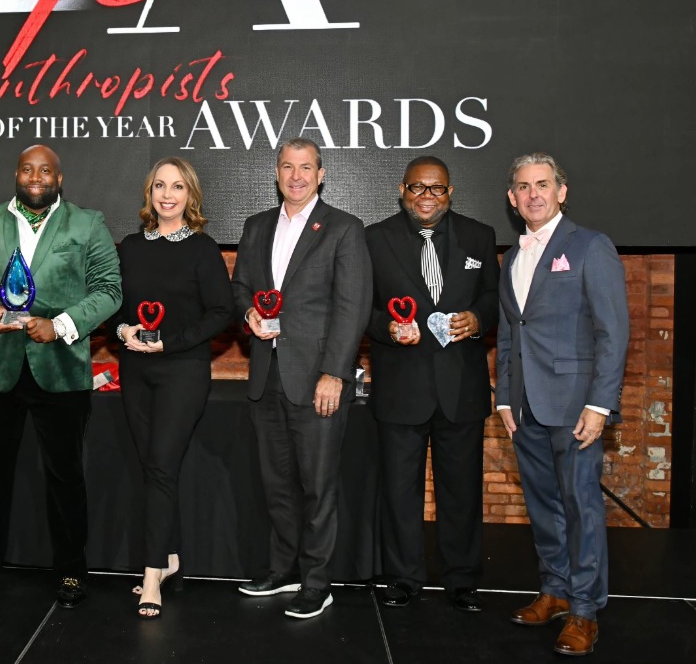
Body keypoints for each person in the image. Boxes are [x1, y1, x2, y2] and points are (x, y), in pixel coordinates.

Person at [0, 144, 121, 608]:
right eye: (27, 169)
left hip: (61, 369)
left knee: (65, 477)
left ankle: (70, 571)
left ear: (60, 179)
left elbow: (109, 290)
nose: (36, 177)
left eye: (46, 170)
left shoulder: (88, 223)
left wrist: (60, 324)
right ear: (16, 175)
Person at [230, 137, 371, 619]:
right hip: (266, 376)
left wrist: (334, 374)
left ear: (321, 173)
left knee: (317, 486)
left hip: (317, 383)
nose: (296, 176)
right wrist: (248, 310)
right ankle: (282, 569)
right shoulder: (256, 226)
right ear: (276, 172)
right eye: (287, 167)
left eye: (305, 168)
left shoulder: (344, 229)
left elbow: (352, 310)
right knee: (277, 485)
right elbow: (242, 287)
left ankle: (317, 582)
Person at [496, 153, 628, 656]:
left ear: (561, 191)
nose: (534, 194)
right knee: (544, 507)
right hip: (525, 407)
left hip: (575, 407)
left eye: (543, 184)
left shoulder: (591, 246)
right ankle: (553, 591)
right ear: (512, 198)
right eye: (524, 187)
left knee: (581, 507)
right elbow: (512, 332)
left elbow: (612, 333)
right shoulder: (512, 256)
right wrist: (505, 398)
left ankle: (586, 611)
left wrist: (600, 405)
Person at [364, 156, 498, 612]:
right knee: (399, 491)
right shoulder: (375, 239)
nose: (426, 196)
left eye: (436, 188)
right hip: (401, 386)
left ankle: (461, 580)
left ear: (450, 191)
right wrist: (388, 330)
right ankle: (402, 578)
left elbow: (494, 300)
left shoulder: (480, 236)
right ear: (402, 190)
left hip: (461, 387)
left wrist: (478, 319)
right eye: (417, 188)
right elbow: (362, 309)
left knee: (461, 490)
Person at [114, 157, 233, 619]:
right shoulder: (129, 247)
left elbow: (221, 311)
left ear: (191, 195)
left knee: (161, 466)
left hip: (183, 369)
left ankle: (150, 577)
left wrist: (170, 342)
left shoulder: (202, 249)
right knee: (152, 466)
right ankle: (171, 558)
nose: (167, 194)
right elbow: (110, 302)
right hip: (135, 369)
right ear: (149, 193)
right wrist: (124, 330)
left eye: (177, 187)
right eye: (160, 185)